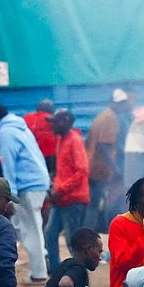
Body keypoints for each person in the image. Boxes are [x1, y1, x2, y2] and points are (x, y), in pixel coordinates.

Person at [0, 105, 52, 284]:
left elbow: (8, 164)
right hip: (38, 182)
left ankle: (39, 273)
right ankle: (41, 266)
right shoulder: (21, 128)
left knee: (29, 229)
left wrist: (8, 195)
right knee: (34, 227)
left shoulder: (5, 132)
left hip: (28, 186)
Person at [46, 108, 91, 270]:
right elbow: (63, 171)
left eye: (55, 122)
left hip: (73, 199)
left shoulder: (74, 141)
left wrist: (60, 190)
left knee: (72, 240)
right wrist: (55, 189)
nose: (52, 125)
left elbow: (82, 171)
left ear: (65, 122)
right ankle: (56, 273)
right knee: (50, 234)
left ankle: (80, 277)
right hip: (62, 198)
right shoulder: (62, 140)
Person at [86, 89, 131, 230]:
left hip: (93, 165)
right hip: (100, 169)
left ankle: (90, 230)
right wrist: (115, 168)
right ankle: (94, 231)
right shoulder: (112, 118)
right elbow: (104, 144)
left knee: (94, 203)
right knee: (97, 204)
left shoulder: (103, 115)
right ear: (119, 104)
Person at [23, 99, 58, 174]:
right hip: (47, 157)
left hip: (28, 157)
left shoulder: (26, 117)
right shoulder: (51, 119)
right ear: (51, 110)